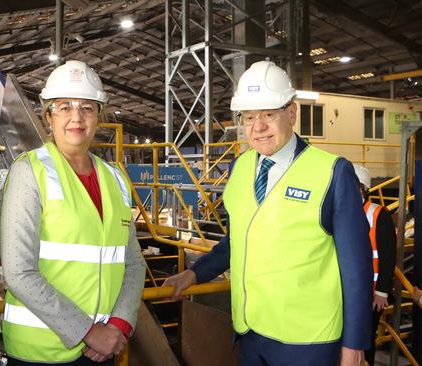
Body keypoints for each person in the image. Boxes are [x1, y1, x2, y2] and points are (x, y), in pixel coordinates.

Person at [162, 61, 372, 366]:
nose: (258, 127)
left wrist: (354, 344)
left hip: (308, 341)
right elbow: (240, 239)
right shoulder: (241, 168)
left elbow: (356, 267)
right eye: (249, 117)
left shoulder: (332, 172)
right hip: (251, 333)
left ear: (292, 112)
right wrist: (195, 272)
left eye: (268, 115)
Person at [0, 60, 146, 365]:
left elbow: (132, 262)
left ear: (99, 115)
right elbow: (18, 272)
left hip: (102, 349)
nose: (76, 117)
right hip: (40, 353)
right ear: (47, 116)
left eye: (87, 107)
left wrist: (118, 325)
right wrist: (88, 331)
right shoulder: (30, 172)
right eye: (64, 107)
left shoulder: (115, 178)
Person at [353, 165, 397, 365]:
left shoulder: (378, 214)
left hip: (371, 294)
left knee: (364, 339)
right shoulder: (342, 211)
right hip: (347, 291)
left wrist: (382, 292)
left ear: (363, 189)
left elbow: (388, 256)